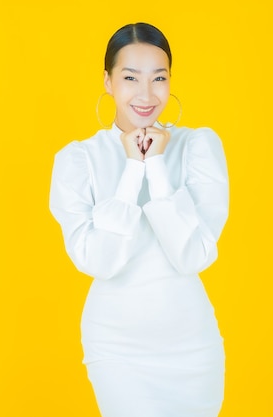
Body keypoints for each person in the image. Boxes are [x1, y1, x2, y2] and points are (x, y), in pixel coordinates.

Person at [49, 23, 229, 417]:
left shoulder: (198, 146)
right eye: (130, 78)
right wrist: (133, 170)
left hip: (191, 348)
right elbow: (99, 262)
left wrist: (159, 166)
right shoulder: (77, 160)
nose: (146, 94)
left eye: (158, 78)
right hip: (117, 348)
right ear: (108, 81)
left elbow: (192, 256)